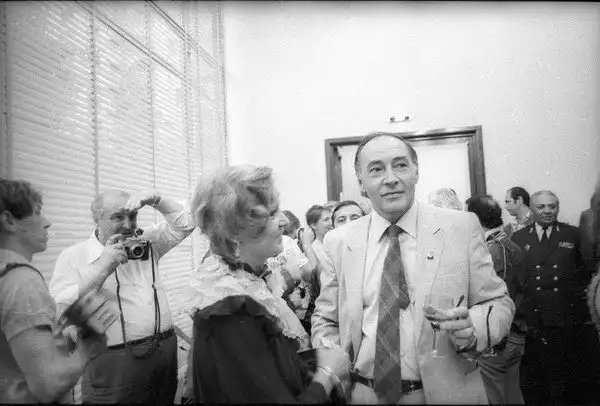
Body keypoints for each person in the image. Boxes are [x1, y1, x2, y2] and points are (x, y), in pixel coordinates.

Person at [312, 132, 514, 404]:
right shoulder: (339, 241)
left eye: (400, 165)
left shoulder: (460, 227)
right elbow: (326, 319)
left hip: (447, 394)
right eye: (376, 169)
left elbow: (499, 302)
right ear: (361, 183)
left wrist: (474, 326)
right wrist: (334, 368)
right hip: (363, 395)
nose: (391, 178)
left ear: (415, 171)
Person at [181, 165, 350, 403]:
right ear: (234, 231)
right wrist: (328, 374)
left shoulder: (251, 280)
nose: (284, 221)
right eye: (271, 214)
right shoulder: (230, 308)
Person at [49, 189, 195, 404]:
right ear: (97, 219)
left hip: (163, 351)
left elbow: (186, 224)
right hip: (114, 360)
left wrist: (156, 199)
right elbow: (61, 308)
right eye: (118, 217)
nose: (128, 225)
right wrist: (102, 267)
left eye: (132, 216)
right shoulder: (74, 256)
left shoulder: (146, 242)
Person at [0, 178, 106, 403]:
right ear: (9, 221)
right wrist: (89, 346)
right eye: (38, 213)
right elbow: (49, 385)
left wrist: (58, 338)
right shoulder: (22, 282)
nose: (47, 222)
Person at [511, 190, 588, 405]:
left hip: (563, 317)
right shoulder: (519, 237)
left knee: (564, 377)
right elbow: (515, 280)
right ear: (531, 209)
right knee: (535, 378)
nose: (547, 211)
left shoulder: (573, 234)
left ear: (558, 208)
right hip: (532, 318)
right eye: (541, 207)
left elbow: (585, 272)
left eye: (552, 206)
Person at [466, 195, 527, 405]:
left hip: (499, 340)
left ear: (475, 220)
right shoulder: (511, 244)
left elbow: (493, 301)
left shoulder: (489, 250)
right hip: (517, 335)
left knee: (494, 398)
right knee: (513, 395)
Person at [306, 204, 333, 271]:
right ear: (314, 226)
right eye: (326, 220)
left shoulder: (334, 242)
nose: (331, 222)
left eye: (332, 218)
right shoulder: (315, 250)